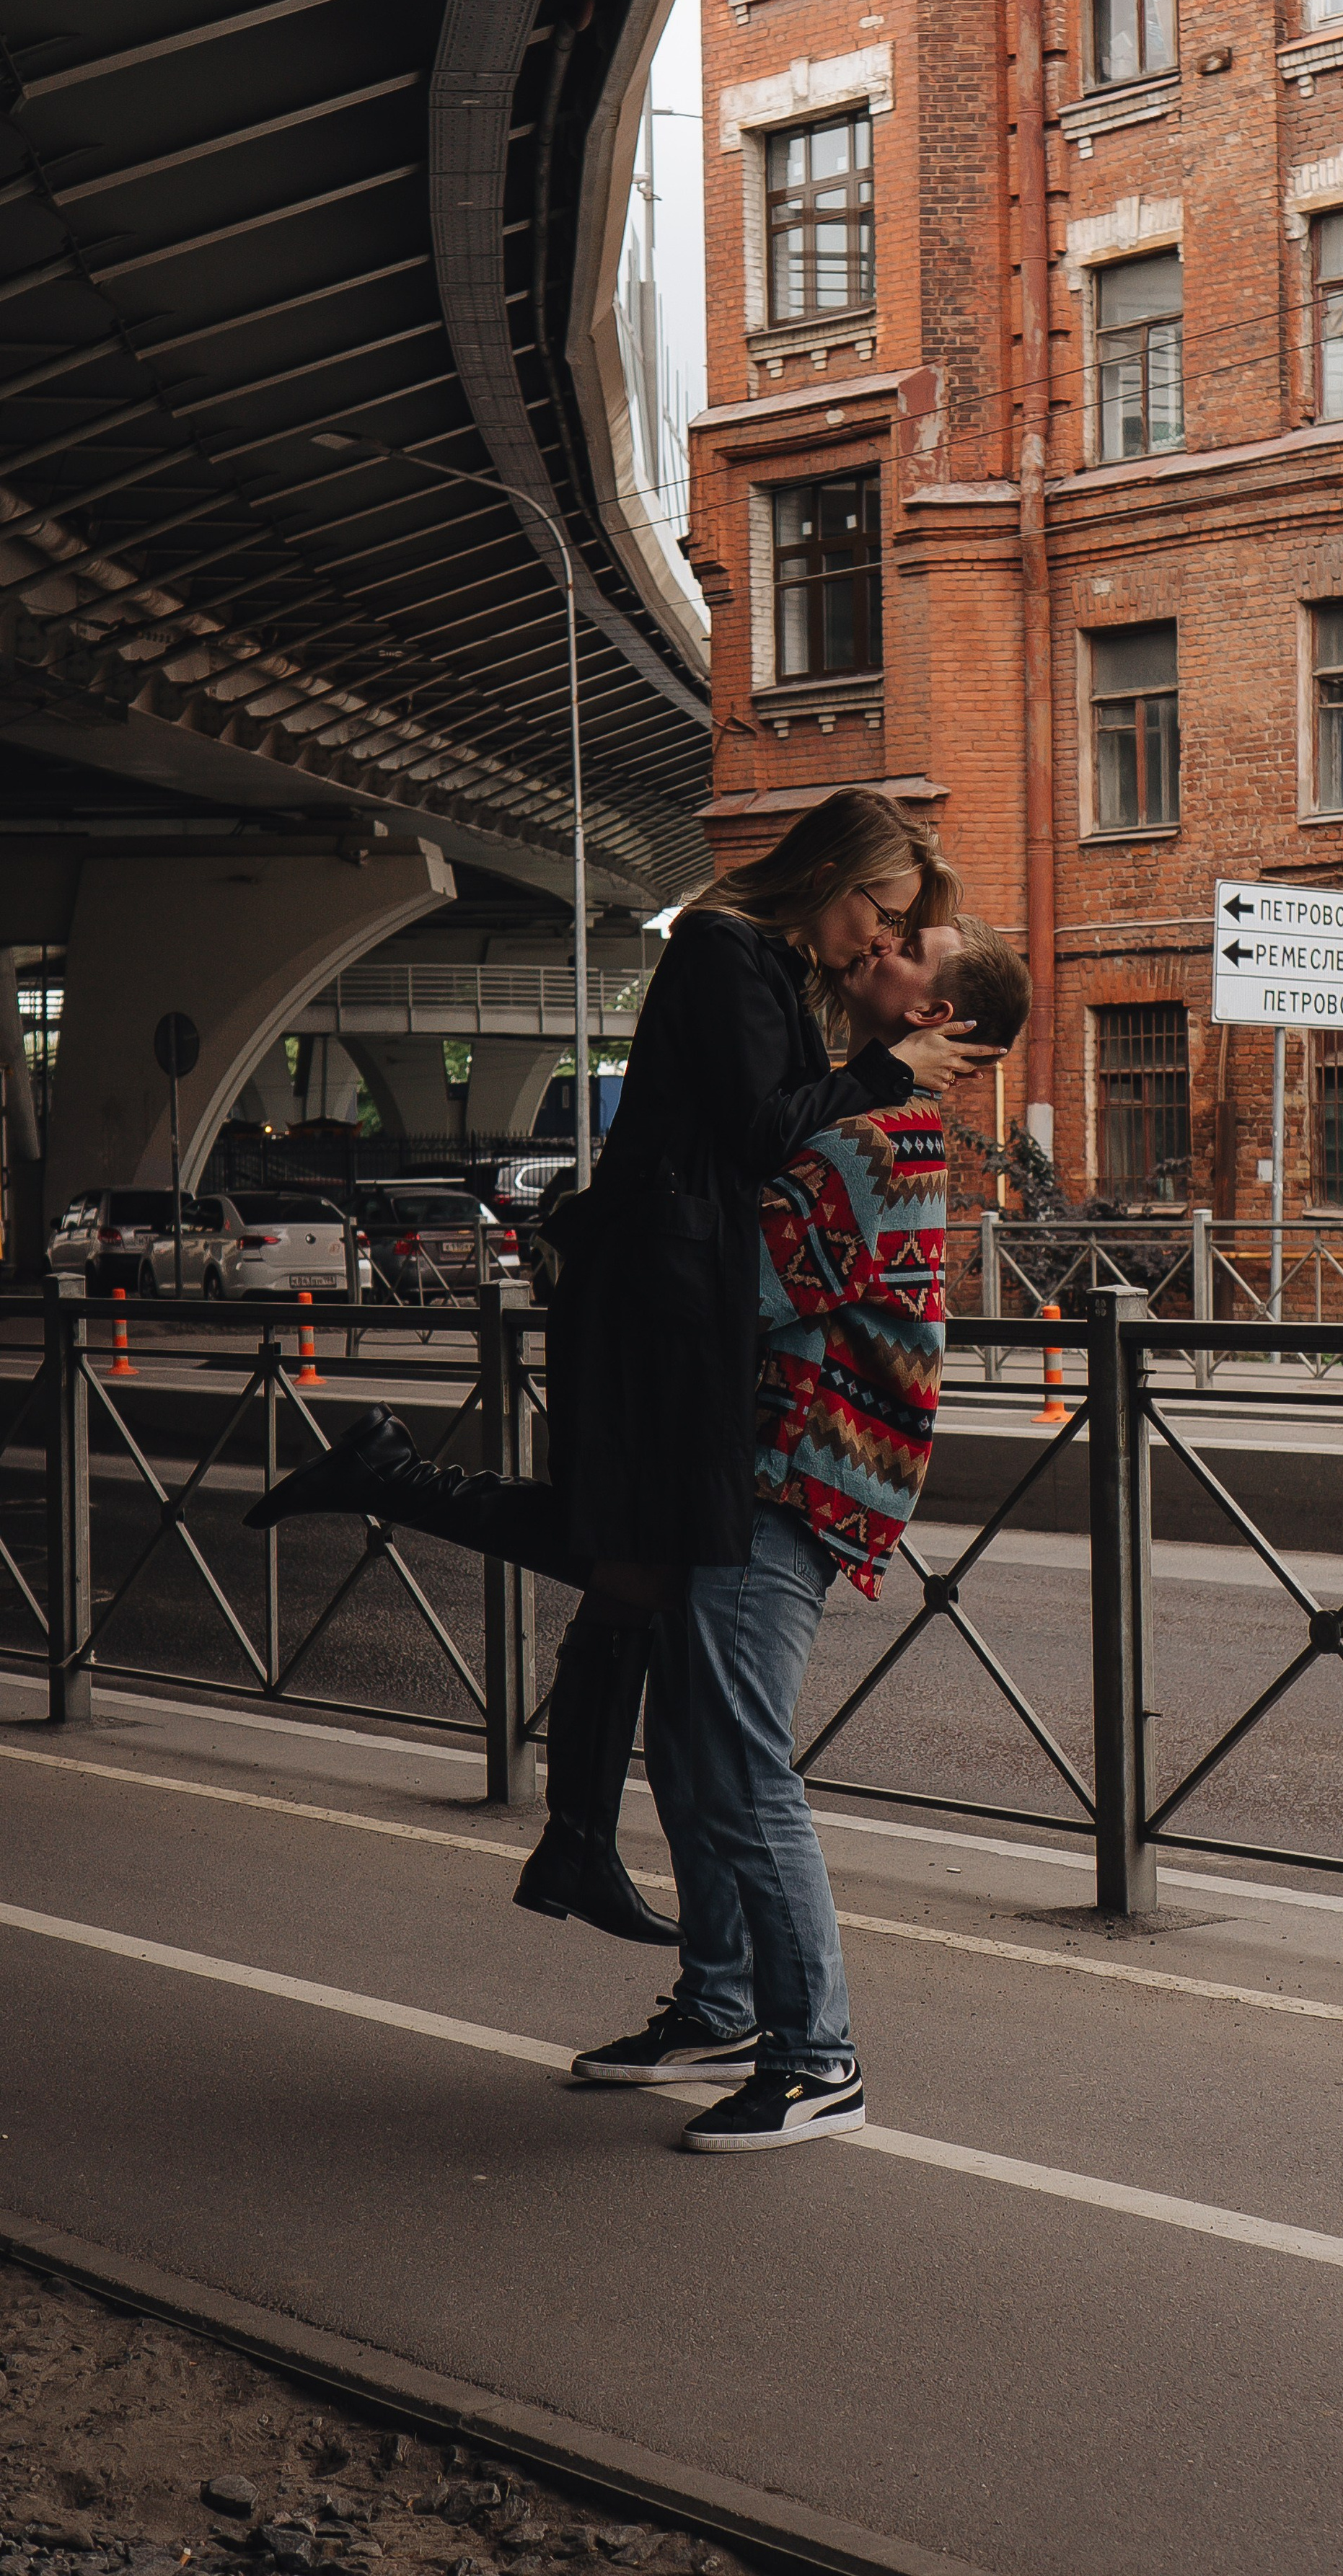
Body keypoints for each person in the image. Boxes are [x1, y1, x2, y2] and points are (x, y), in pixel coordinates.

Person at [245, 791, 998, 1945]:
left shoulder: (769, 973)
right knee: (639, 1546)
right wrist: (887, 1068)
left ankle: (578, 1843)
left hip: (678, 1297)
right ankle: (586, 1841)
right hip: (667, 1299)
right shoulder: (721, 948)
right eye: (882, 915)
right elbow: (762, 1134)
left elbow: (773, 1139)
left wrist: (875, 1072)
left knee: (634, 1563)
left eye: (900, 933)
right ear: (833, 875)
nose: (880, 941)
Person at [572, 914, 1032, 2152]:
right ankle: (720, 2002)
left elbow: (741, 1284)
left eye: (905, 950)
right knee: (688, 1748)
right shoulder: (855, 1115)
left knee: (738, 1762)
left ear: (933, 1014)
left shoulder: (880, 1139)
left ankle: (818, 2059)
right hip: (759, 1466)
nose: (873, 950)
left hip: (790, 1478)